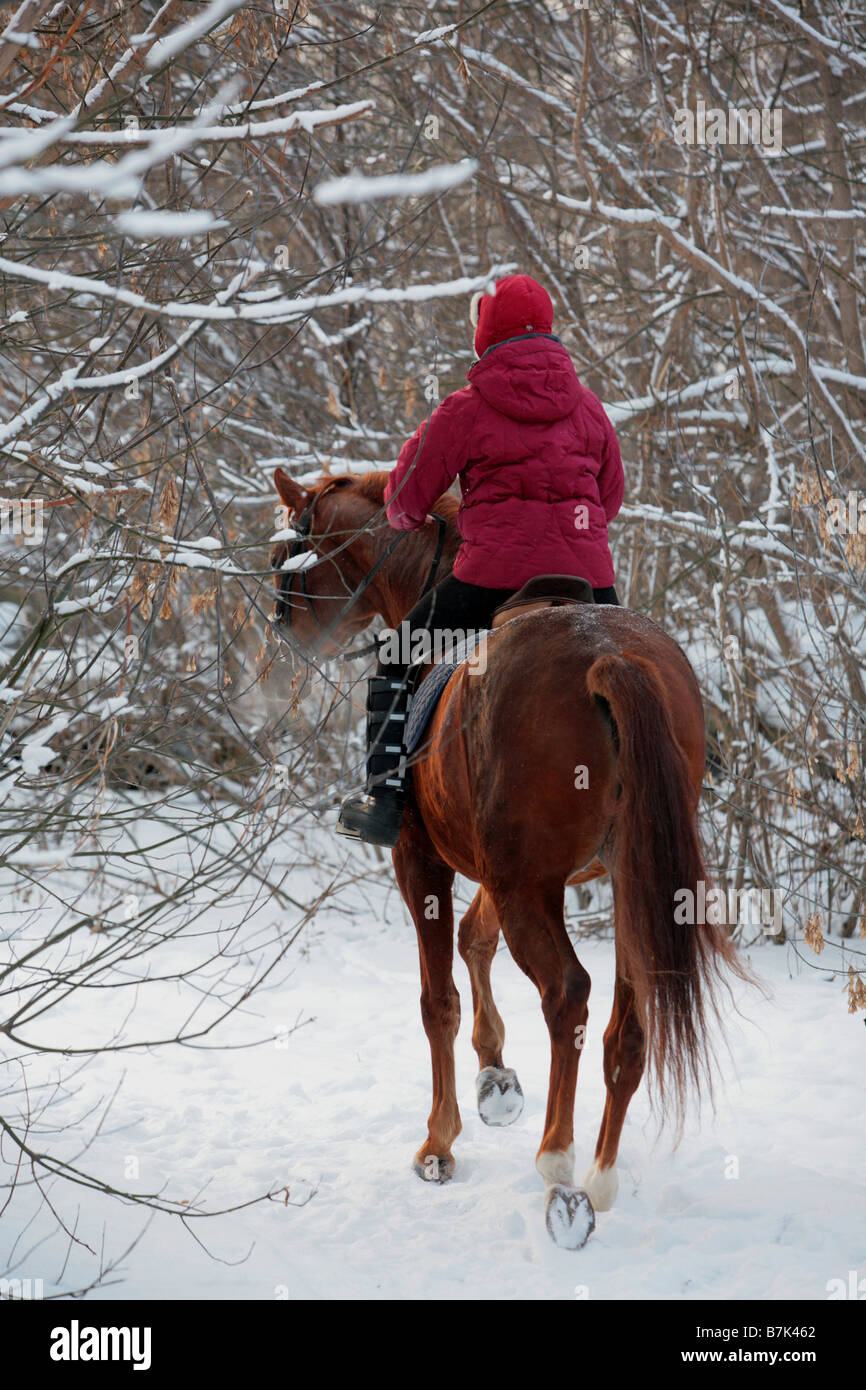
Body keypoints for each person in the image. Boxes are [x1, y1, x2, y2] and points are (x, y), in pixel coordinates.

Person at [337, 273, 624, 847]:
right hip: (591, 584)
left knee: (399, 653)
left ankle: (384, 795)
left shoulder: (465, 409)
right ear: (547, 328)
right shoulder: (589, 408)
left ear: (483, 333)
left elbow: (402, 503)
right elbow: (610, 499)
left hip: (492, 582)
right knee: (636, 667)